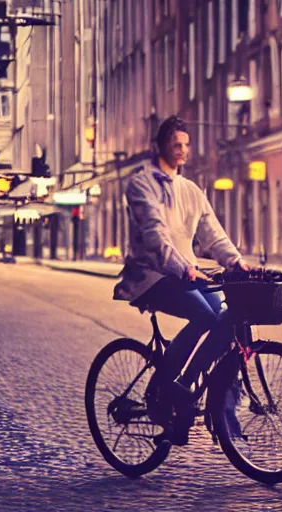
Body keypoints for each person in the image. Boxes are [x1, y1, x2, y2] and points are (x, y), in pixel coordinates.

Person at [114, 115, 249, 444]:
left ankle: (187, 388)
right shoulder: (142, 184)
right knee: (204, 314)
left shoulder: (190, 190)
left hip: (187, 271)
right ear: (160, 146)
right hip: (151, 274)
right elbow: (154, 235)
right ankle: (171, 388)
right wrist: (183, 267)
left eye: (186, 144)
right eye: (176, 144)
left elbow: (212, 233)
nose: (182, 150)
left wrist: (236, 262)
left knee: (226, 318)